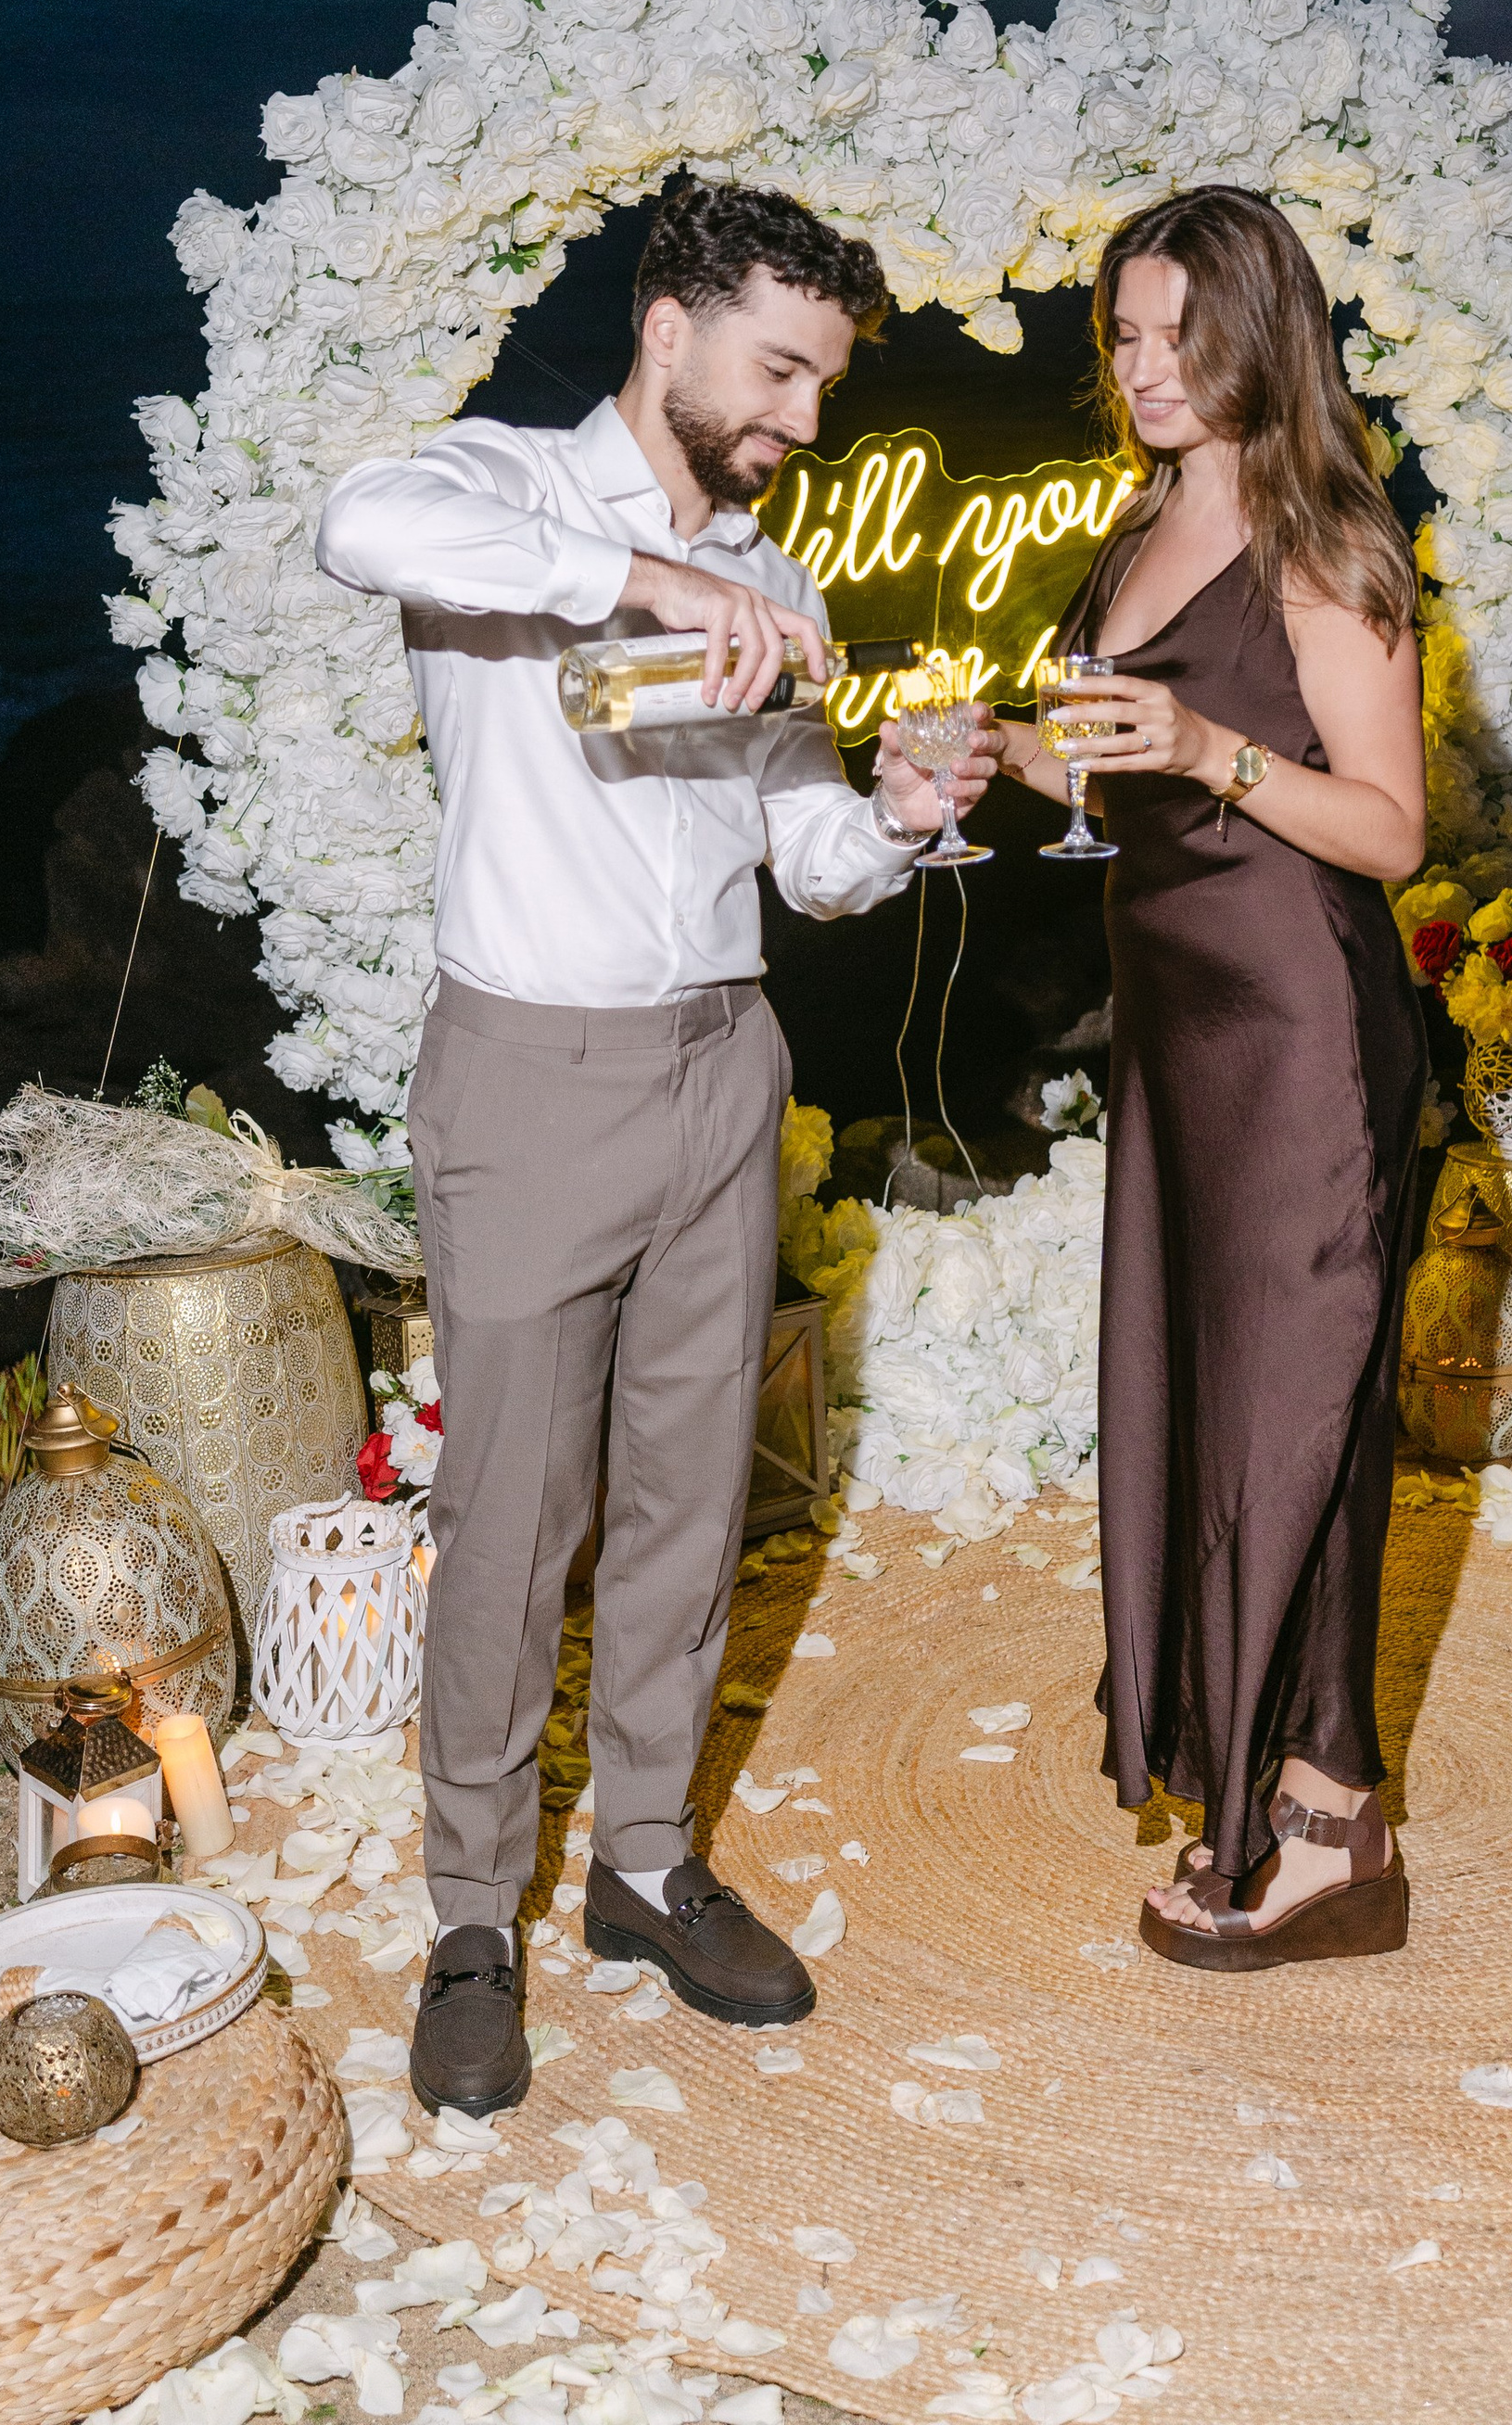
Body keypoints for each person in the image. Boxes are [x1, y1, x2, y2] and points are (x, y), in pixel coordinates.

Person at [316, 179, 996, 2114]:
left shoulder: (783, 579)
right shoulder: (498, 488)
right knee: (509, 1526)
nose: (797, 419)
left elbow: (813, 862)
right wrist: (646, 582)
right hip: (530, 1073)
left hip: (726, 1064)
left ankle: (640, 1869)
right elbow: (353, 525)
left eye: (820, 385)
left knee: (692, 1499)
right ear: (669, 324)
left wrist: (913, 806)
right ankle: (468, 1919)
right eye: (777, 370)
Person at [993, 184, 1428, 1971]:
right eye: (1125, 335)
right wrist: (996, 756)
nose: (1147, 368)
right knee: (1208, 1390)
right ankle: (1299, 1779)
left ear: (1265, 334)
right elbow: (1128, 775)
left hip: (1305, 1037)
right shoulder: (1146, 516)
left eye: (1182, 335)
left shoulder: (1329, 541)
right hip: (1176, 1034)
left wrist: (1209, 748)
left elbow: (1390, 832)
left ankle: (1308, 1825)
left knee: (1292, 1409)